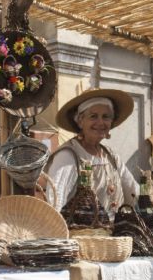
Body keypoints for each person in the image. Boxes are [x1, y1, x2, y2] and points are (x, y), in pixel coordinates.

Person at [46, 88, 139, 217]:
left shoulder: (111, 156)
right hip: (80, 234)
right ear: (80, 121)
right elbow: (54, 201)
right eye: (93, 116)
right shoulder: (68, 155)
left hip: (115, 234)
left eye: (105, 117)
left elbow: (134, 193)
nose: (100, 122)